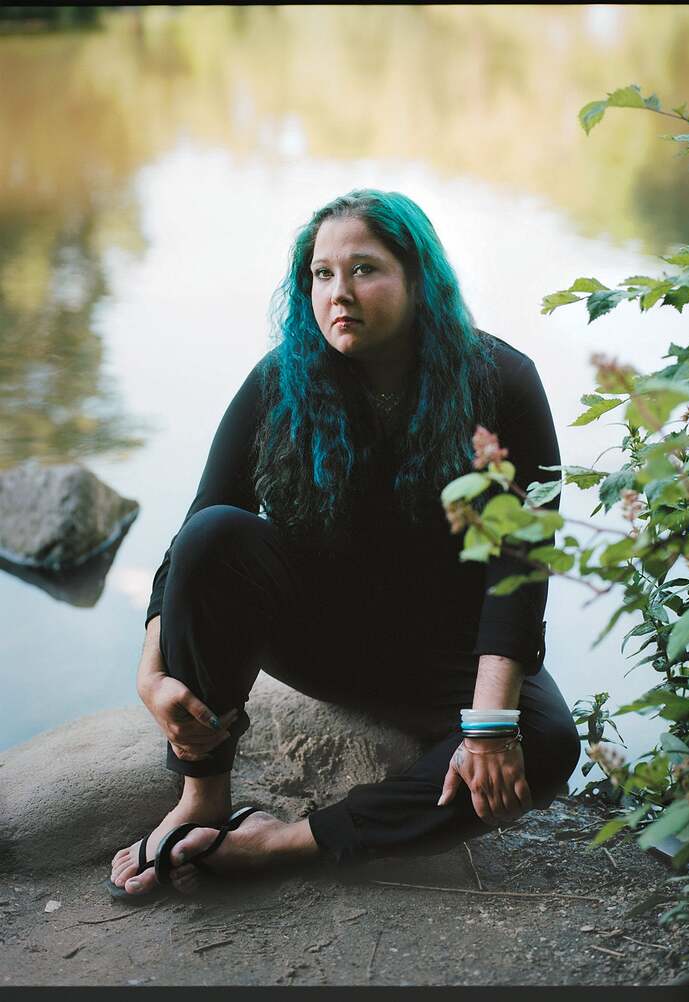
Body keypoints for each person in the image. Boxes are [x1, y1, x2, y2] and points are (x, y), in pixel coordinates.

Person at [107, 189, 580, 900]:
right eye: (322, 275)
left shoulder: (501, 381)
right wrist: (152, 672)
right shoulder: (282, 379)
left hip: (446, 653)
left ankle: (289, 842)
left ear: (418, 280)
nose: (339, 292)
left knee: (544, 744)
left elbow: (522, 566)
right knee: (217, 534)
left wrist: (487, 730)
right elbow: (198, 529)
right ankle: (202, 798)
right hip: (321, 640)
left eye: (365, 269)